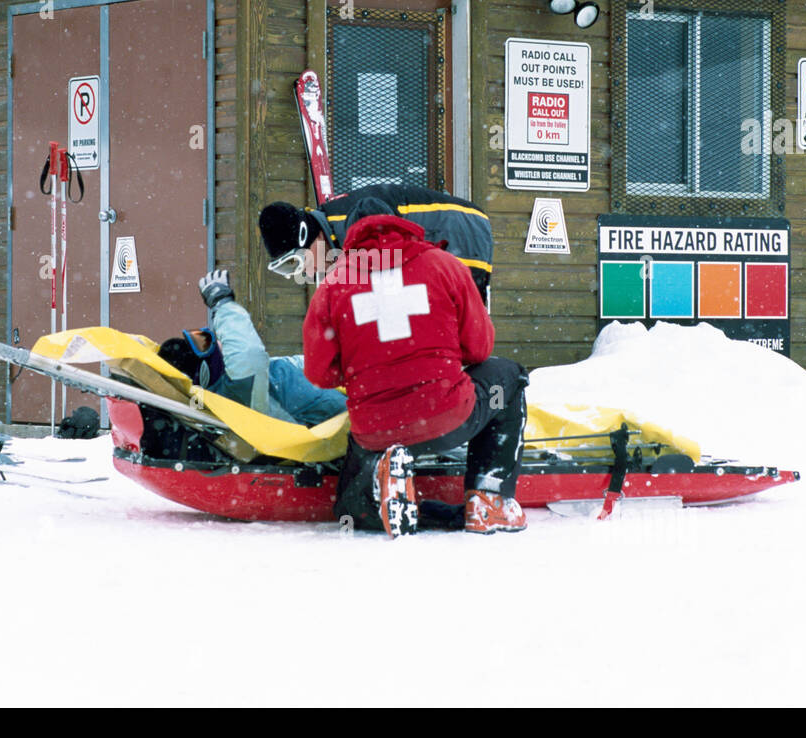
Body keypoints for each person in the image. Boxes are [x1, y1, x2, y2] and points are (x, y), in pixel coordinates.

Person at [302, 212, 528, 537]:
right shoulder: (445, 265)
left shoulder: (334, 284)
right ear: (404, 227)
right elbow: (480, 348)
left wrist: (363, 368)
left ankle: (386, 488)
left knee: (353, 513)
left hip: (375, 432)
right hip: (446, 416)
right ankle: (488, 499)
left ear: (351, 237)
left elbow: (320, 374)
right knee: (508, 376)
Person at [157, 269, 347, 427]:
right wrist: (222, 303)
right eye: (205, 342)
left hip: (343, 390)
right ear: (205, 370)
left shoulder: (239, 383)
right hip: (346, 419)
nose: (216, 340)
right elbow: (249, 355)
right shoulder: (236, 391)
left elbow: (291, 366)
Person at [258, 183, 493, 302]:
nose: (304, 275)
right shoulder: (336, 232)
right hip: (451, 235)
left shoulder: (354, 223)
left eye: (295, 263)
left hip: (459, 229)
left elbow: (391, 277)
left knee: (460, 311)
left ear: (308, 236)